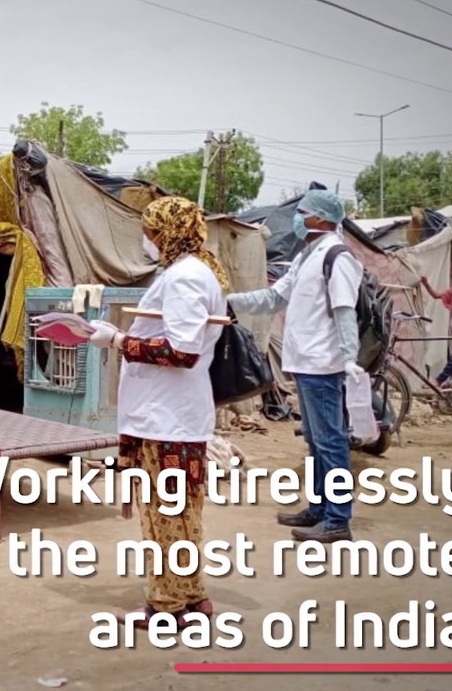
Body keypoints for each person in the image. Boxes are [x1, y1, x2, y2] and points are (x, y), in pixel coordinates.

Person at [87, 197, 228, 628]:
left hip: (166, 418)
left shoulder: (185, 278)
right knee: (182, 512)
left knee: (163, 514)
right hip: (174, 415)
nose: (146, 240)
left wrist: (117, 341)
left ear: (167, 232)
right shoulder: (196, 272)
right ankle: (193, 597)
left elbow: (182, 350)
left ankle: (166, 604)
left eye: (149, 232)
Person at [227, 190, 363, 544]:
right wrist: (226, 300)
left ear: (321, 218)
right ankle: (319, 509)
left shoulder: (338, 256)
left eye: (302, 212)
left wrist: (349, 356)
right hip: (304, 362)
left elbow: (345, 309)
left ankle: (337, 519)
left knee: (331, 441)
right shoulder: (307, 257)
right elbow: (273, 298)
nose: (297, 218)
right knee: (317, 442)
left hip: (323, 363)